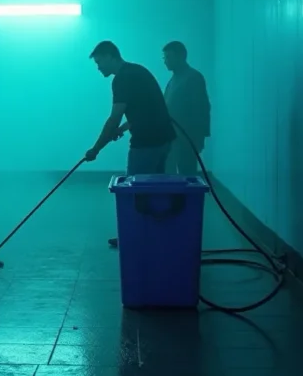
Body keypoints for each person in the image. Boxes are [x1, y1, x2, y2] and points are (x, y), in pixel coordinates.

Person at [84, 41, 176, 248]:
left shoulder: (122, 79)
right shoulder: (136, 71)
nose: (98, 67)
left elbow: (114, 117)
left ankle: (131, 235)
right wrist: (124, 129)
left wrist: (95, 149)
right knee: (155, 188)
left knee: (134, 190)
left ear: (110, 56)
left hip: (147, 142)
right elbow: (145, 108)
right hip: (163, 139)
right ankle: (154, 234)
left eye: (99, 62)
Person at [162, 41, 211, 175]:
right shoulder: (173, 80)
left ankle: (185, 196)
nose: (165, 61)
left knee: (187, 174)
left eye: (168, 57)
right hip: (172, 136)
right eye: (164, 58)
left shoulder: (193, 77)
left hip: (187, 136)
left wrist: (200, 137)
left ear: (181, 56)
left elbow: (202, 109)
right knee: (170, 172)